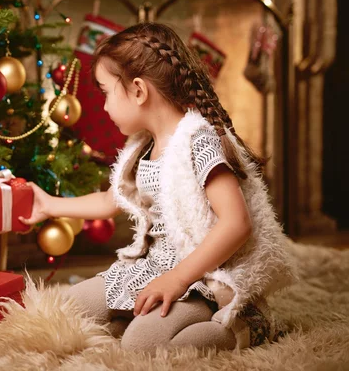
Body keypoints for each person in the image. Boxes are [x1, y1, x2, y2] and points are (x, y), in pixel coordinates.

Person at [19, 22, 296, 352]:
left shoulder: (200, 143)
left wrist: (177, 279)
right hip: (151, 268)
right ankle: (135, 315)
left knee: (143, 344)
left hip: (201, 276)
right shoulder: (142, 146)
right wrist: (49, 205)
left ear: (138, 90)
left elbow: (236, 224)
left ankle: (246, 326)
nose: (104, 107)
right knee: (60, 309)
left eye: (106, 93)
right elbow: (111, 200)